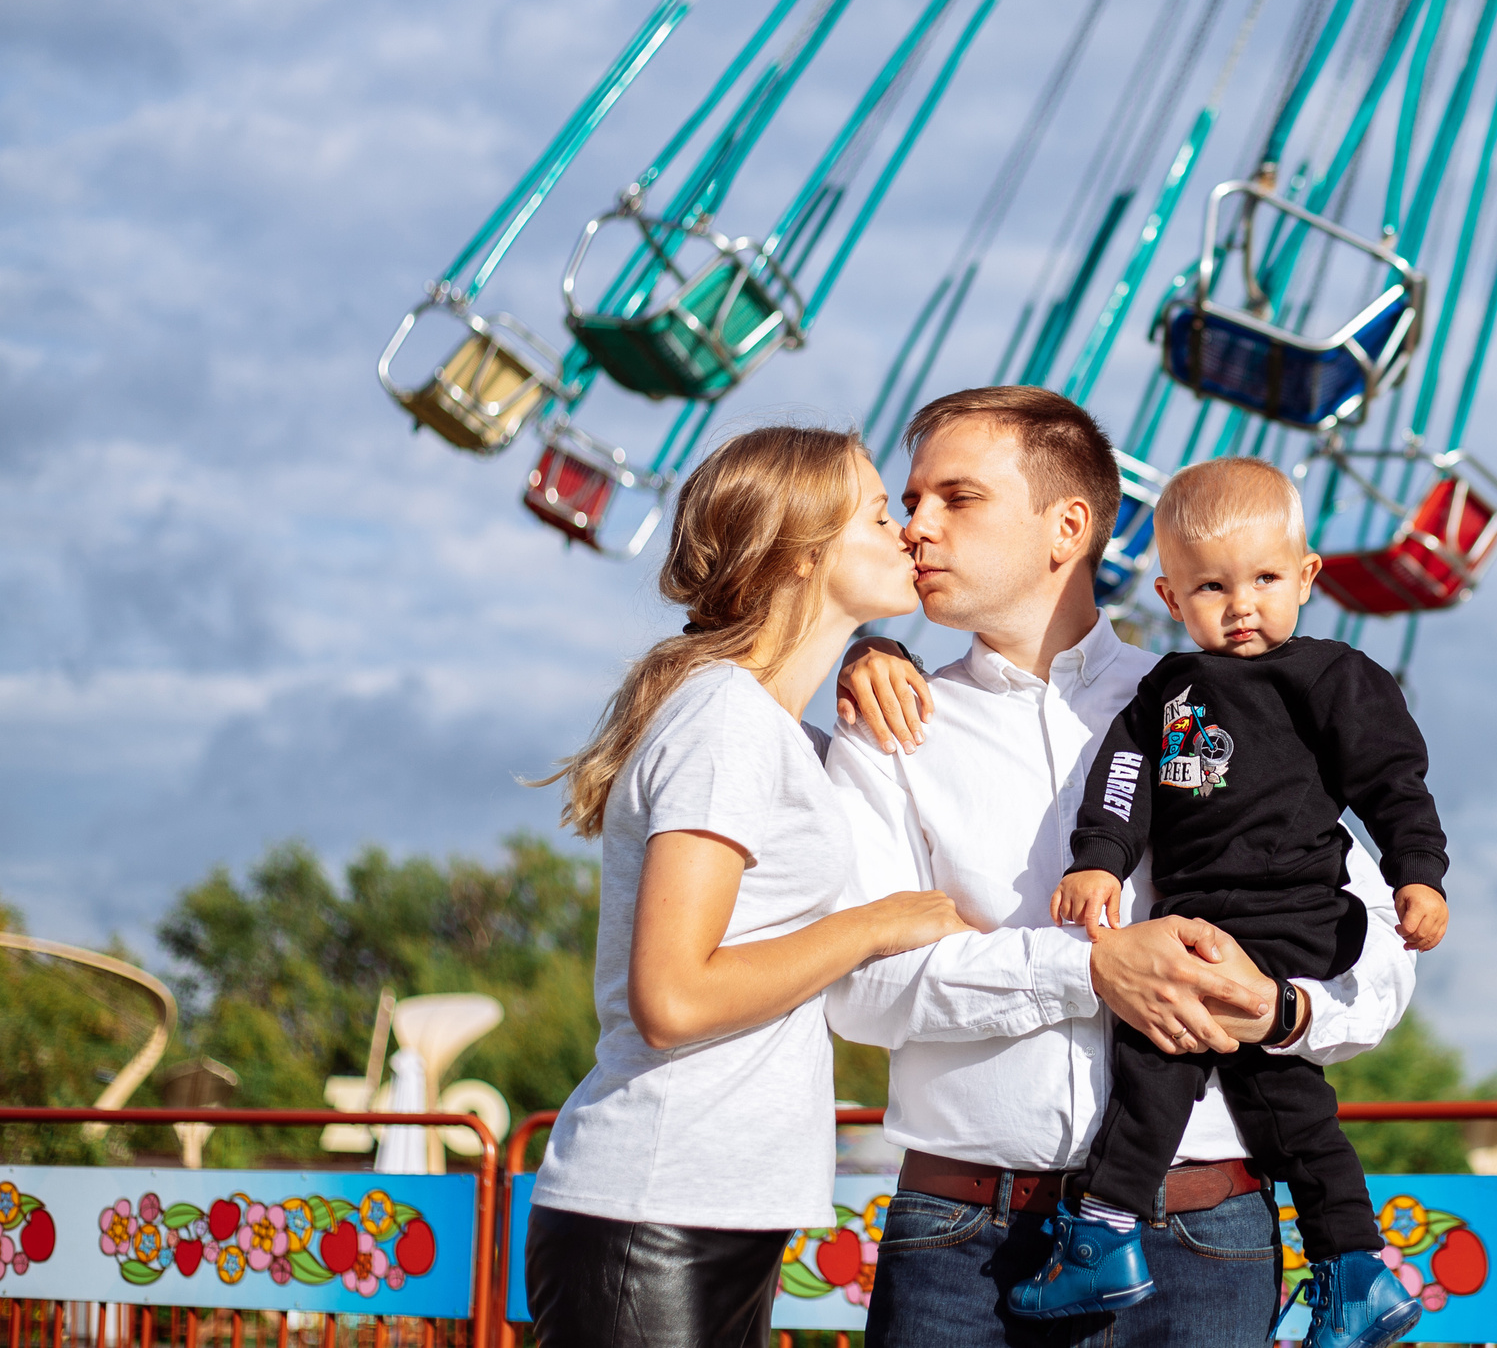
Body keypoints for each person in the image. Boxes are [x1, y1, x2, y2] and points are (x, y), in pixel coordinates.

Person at [826, 388, 1418, 1348]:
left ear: (1068, 525)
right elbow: (854, 990)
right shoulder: (891, 721)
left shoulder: (1231, 693)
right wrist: (1088, 967)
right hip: (959, 1237)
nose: (915, 527)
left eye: (956, 497)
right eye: (911, 497)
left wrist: (1282, 1010)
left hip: (1206, 1228)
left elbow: (1380, 956)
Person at [524, 426, 971, 1348]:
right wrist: (874, 926)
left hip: (703, 1209)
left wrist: (872, 656)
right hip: (655, 1212)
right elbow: (673, 997)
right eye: (884, 514)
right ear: (806, 551)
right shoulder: (725, 721)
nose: (910, 534)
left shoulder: (766, 729)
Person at [1009, 456, 1447, 1348]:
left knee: (1156, 1054)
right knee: (1288, 1106)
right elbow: (1122, 783)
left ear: (1307, 576)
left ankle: (1104, 1234)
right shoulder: (1166, 692)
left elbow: (1394, 783)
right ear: (1171, 596)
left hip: (1290, 917)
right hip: (1203, 922)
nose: (1240, 604)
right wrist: (1099, 860)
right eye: (1212, 586)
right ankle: (1356, 1268)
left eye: (1264, 579)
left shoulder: (1333, 677)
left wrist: (1419, 874)